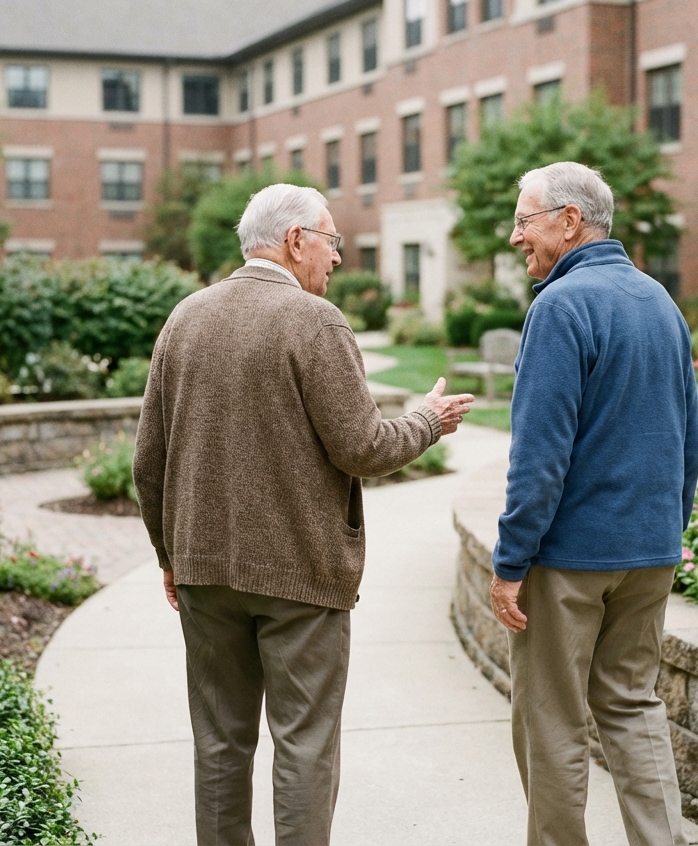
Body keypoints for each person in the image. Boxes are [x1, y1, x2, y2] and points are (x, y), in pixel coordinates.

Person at [133, 183, 473, 846]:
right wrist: (429, 420)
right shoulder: (316, 323)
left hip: (205, 572)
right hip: (300, 575)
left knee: (220, 745)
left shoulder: (185, 318)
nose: (337, 258)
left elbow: (150, 460)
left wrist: (168, 557)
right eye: (332, 241)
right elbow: (364, 446)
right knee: (305, 746)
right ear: (294, 241)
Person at [488, 162, 698, 846]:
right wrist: (667, 533)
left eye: (525, 220)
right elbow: (689, 442)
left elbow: (539, 459)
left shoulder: (560, 307)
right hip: (649, 552)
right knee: (633, 706)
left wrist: (511, 559)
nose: (517, 236)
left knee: (551, 721)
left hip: (570, 560)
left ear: (569, 222)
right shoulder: (659, 302)